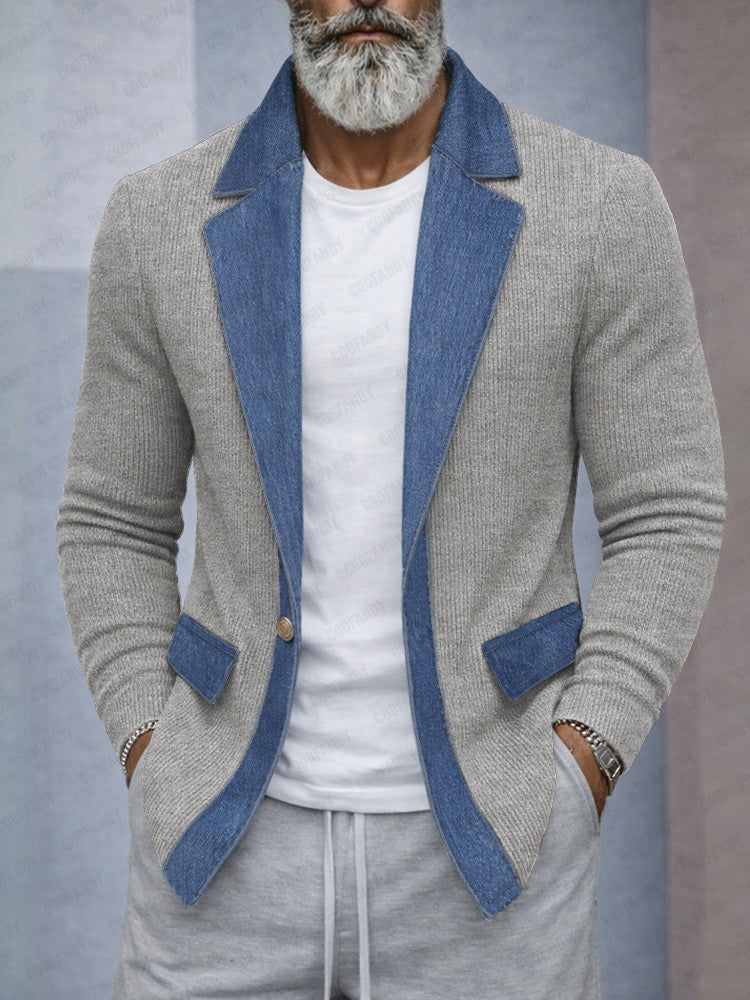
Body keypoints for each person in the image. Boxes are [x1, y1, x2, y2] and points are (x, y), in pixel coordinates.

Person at [55, 2, 727, 998]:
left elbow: (668, 510)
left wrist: (585, 758)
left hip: (496, 842)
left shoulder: (600, 205)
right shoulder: (158, 219)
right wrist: (150, 749)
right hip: (218, 844)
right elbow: (111, 519)